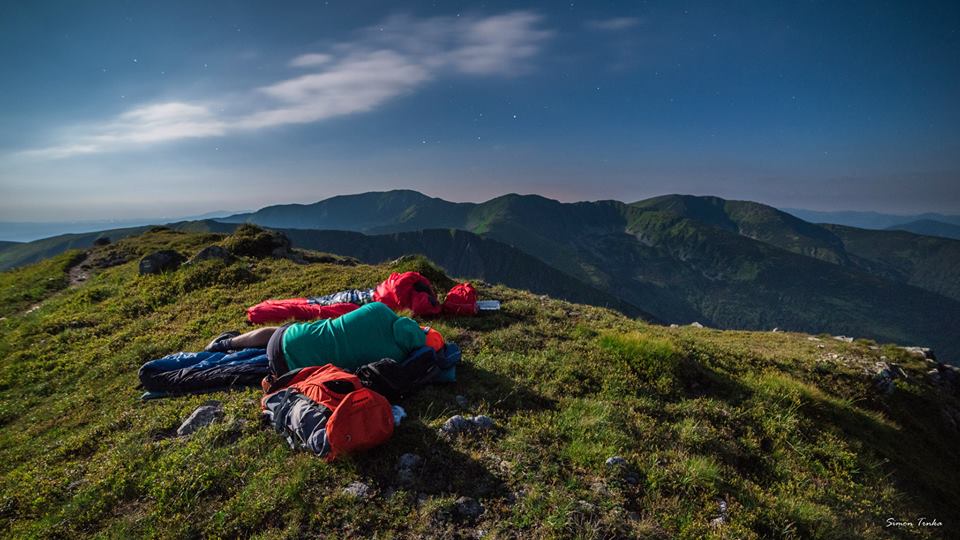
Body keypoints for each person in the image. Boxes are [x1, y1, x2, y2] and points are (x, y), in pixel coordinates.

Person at [205, 301, 443, 375]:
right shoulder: (396, 359)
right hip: (290, 368)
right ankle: (218, 363)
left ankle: (225, 344)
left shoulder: (379, 309)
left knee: (284, 333)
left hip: (290, 336)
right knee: (245, 366)